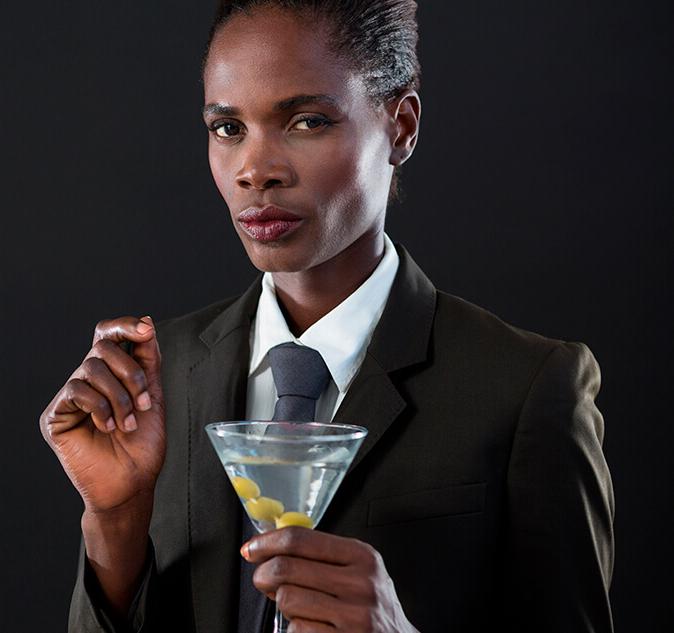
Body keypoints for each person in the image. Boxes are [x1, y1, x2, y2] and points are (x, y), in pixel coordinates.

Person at [40, 1, 614, 631]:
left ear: (401, 127)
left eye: (307, 121)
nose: (255, 171)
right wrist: (115, 521)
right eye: (228, 128)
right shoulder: (152, 381)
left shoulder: (528, 388)